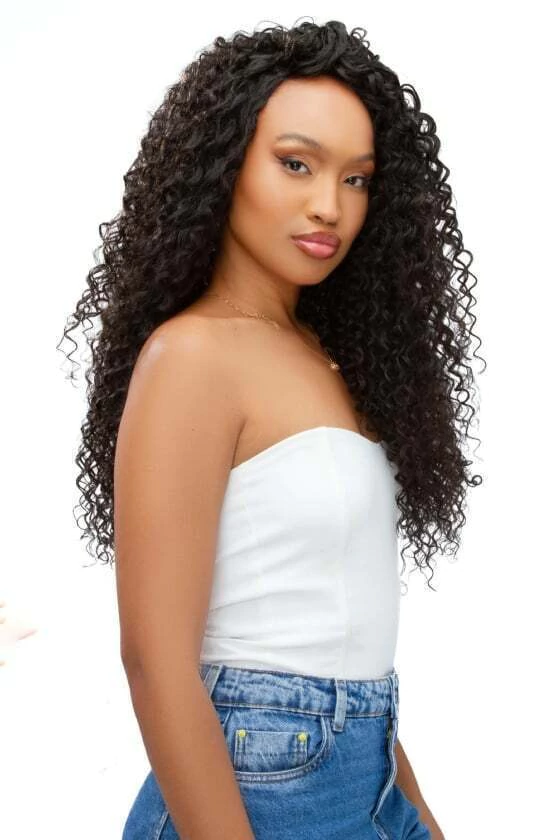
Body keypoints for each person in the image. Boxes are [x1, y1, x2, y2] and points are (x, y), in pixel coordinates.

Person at [58, 18, 484, 840]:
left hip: (366, 768)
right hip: (255, 788)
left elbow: (339, 643)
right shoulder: (191, 357)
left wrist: (416, 814)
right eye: (296, 163)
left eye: (357, 179)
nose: (330, 206)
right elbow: (155, 662)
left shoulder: (333, 360)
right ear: (225, 164)